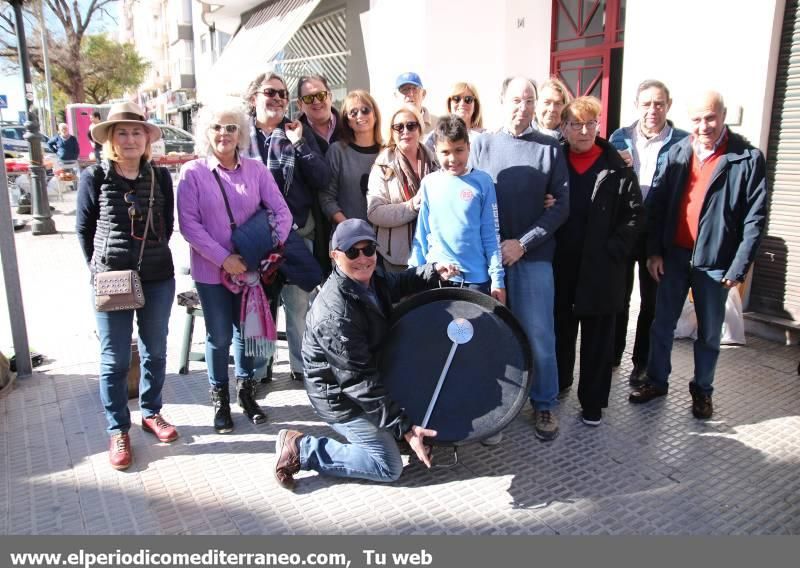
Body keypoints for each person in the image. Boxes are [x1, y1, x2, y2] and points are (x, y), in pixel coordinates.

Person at [273, 219, 460, 490]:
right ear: (335, 255)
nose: (362, 258)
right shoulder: (335, 314)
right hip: (339, 398)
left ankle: (390, 428)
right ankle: (301, 448)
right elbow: (358, 382)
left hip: (369, 373)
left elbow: (397, 283)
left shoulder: (372, 277)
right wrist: (405, 428)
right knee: (388, 466)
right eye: (352, 252)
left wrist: (433, 271)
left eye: (368, 249)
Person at [630, 91, 768, 419]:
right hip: (675, 257)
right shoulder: (678, 151)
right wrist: (653, 253)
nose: (703, 125)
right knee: (661, 324)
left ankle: (702, 390)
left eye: (710, 117)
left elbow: (755, 219)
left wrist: (739, 266)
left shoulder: (745, 157)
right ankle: (657, 379)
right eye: (697, 119)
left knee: (708, 334)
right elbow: (658, 205)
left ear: (723, 117)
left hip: (716, 263)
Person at [177, 101, 293, 433]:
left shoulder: (256, 170)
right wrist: (223, 258)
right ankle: (220, 401)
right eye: (217, 127)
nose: (224, 133)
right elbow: (189, 225)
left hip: (250, 271)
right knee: (218, 336)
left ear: (241, 133)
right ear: (206, 132)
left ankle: (246, 393)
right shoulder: (193, 172)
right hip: (211, 272)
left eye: (231, 127)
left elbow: (283, 214)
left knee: (246, 334)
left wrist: (265, 250)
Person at [75, 102, 177, 470]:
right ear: (111, 140)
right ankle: (118, 428)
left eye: (137, 132)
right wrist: (100, 268)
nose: (130, 138)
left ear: (147, 139)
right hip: (111, 278)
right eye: (122, 132)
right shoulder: (95, 177)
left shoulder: (161, 177)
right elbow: (84, 231)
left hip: (158, 276)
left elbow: (167, 225)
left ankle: (151, 412)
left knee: (156, 351)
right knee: (115, 359)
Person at [470, 77, 570, 441]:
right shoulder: (482, 145)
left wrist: (523, 244)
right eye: (516, 99)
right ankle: (494, 408)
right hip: (489, 259)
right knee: (492, 336)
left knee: (540, 336)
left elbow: (560, 208)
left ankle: (543, 404)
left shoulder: (549, 149)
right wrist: (492, 246)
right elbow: (471, 195)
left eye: (529, 100)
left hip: (533, 257)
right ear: (501, 100)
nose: (523, 107)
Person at [554, 96, 644, 426]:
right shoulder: (554, 162)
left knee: (597, 341)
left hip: (602, 270)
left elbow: (634, 216)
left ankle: (592, 402)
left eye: (590, 123)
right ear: (563, 128)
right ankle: (561, 383)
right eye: (576, 124)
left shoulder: (617, 166)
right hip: (562, 266)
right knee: (561, 331)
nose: (584, 131)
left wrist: (614, 250)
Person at [243, 71, 331, 382]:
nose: (277, 99)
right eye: (270, 92)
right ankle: (258, 370)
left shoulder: (296, 131)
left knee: (298, 306)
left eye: (282, 94)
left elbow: (322, 178)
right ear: (255, 98)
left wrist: (300, 144)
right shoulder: (240, 136)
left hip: (295, 235)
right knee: (258, 306)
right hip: (254, 238)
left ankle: (300, 367)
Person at [609, 80, 689, 384]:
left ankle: (641, 361)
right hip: (624, 227)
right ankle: (612, 354)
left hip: (658, 232)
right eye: (646, 104)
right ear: (637, 105)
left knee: (652, 302)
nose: (652, 110)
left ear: (668, 105)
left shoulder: (683, 141)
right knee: (618, 295)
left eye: (658, 103)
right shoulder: (619, 137)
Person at [410, 115, 505, 303]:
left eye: (459, 150)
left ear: (469, 147)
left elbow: (491, 235)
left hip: (475, 280)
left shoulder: (483, 182)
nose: (453, 158)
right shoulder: (429, 183)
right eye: (445, 152)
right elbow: (421, 235)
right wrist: (413, 274)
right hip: (437, 277)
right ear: (435, 150)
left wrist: (497, 280)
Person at [367, 104, 437, 272]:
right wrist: (411, 206)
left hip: (434, 254)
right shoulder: (382, 166)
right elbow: (374, 212)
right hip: (397, 260)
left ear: (419, 129)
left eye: (411, 126)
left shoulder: (435, 162)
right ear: (391, 132)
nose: (405, 131)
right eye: (398, 127)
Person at [320, 90, 383, 225]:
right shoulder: (337, 151)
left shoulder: (387, 152)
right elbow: (327, 198)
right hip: (348, 237)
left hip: (385, 237)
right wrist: (351, 228)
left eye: (365, 110)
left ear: (375, 115)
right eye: (353, 112)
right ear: (348, 121)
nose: (360, 115)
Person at [424, 81, 485, 151]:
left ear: (475, 106)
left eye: (468, 99)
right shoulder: (435, 136)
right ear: (449, 104)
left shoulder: (485, 137)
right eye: (456, 99)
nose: (462, 103)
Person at [296, 74, 343, 155]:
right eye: (308, 98)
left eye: (321, 95)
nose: (316, 102)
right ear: (300, 105)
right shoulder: (295, 137)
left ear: (330, 97)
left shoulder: (349, 126)